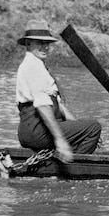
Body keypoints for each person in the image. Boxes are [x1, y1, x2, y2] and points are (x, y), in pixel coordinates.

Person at [15, 19, 101, 163]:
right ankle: (73, 168)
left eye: (47, 43)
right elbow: (42, 105)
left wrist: (77, 126)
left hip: (34, 131)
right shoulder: (32, 66)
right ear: (28, 44)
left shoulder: (39, 66)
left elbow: (59, 106)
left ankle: (65, 161)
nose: (45, 47)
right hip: (37, 130)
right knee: (94, 127)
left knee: (87, 128)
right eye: (39, 43)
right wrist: (60, 140)